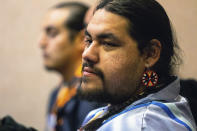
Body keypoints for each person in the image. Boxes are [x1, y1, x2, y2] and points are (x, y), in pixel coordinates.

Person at [78, 0, 197, 130]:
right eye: (89, 40)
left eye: (108, 43)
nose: (87, 54)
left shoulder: (144, 125)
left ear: (150, 54)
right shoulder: (109, 113)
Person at [39, 2, 102, 131]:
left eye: (52, 33)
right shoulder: (58, 93)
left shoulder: (93, 94)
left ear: (81, 39)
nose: (41, 42)